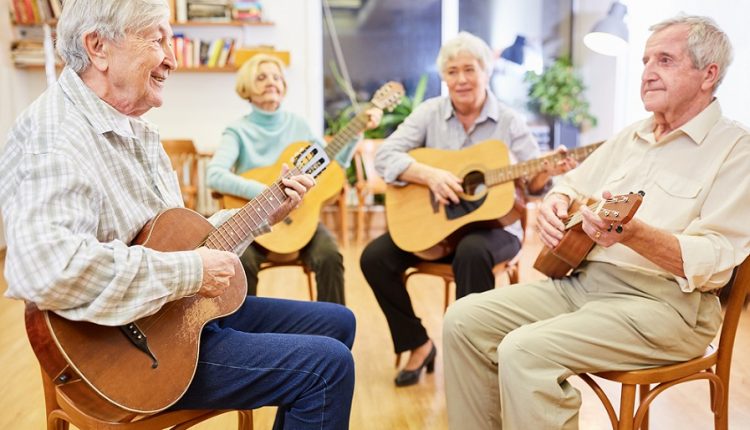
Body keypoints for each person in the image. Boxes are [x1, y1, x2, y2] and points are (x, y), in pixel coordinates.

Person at [0, 1, 356, 428]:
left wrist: (264, 214)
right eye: (158, 39)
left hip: (175, 315)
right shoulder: (55, 135)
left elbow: (185, 243)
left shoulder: (138, 130)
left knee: (339, 323)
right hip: (130, 355)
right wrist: (191, 272)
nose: (172, 57)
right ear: (98, 47)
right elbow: (46, 267)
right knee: (326, 366)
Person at [443, 15, 750, 429]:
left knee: (525, 352)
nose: (647, 73)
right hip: (582, 284)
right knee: (463, 320)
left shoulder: (735, 150)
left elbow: (716, 260)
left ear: (708, 74)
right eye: (645, 61)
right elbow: (569, 184)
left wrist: (636, 236)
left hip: (666, 307)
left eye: (664, 60)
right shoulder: (632, 137)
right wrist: (556, 202)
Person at [359, 31, 575, 387]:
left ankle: (473, 360)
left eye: (470, 70)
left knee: (473, 252)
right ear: (444, 77)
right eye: (453, 71)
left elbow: (534, 187)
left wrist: (544, 173)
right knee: (374, 257)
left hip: (496, 229)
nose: (461, 79)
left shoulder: (508, 121)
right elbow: (384, 156)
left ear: (486, 72)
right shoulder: (429, 113)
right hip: (438, 229)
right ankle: (417, 343)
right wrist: (428, 175)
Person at [206, 54, 382, 305]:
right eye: (262, 77)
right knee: (240, 263)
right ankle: (243, 336)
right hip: (254, 223)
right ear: (246, 86)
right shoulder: (238, 131)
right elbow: (214, 174)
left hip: (298, 219)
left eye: (277, 77)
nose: (271, 82)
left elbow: (330, 166)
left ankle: (332, 336)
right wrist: (267, 192)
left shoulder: (298, 124)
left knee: (330, 255)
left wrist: (357, 132)